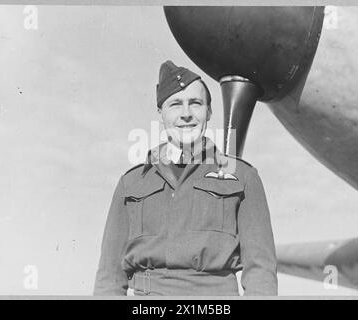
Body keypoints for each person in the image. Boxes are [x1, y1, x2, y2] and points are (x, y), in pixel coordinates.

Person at [94, 60, 277, 296]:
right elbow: (109, 276)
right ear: (161, 113)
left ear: (209, 111)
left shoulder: (242, 177)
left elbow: (261, 271)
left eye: (196, 103)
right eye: (175, 105)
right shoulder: (130, 183)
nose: (186, 114)